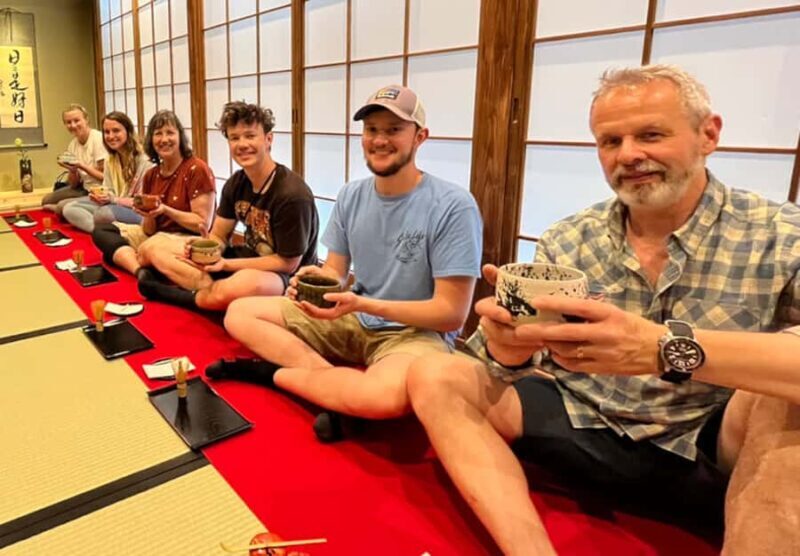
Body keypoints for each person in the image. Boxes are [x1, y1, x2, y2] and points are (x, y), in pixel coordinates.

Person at [405, 64, 800, 555]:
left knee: (788, 405)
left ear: (708, 134)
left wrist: (659, 347)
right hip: (584, 418)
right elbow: (492, 363)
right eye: (610, 142)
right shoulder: (568, 239)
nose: (629, 155)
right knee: (434, 375)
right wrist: (506, 345)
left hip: (708, 441)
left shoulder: (782, 235)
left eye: (651, 135)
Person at [219, 85, 483, 442]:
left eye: (393, 130)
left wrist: (361, 303)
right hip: (353, 319)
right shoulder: (351, 195)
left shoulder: (453, 206)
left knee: (384, 397)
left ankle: (274, 374)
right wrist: (316, 281)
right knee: (240, 313)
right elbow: (336, 273)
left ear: (420, 137)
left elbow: (451, 314)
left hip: (414, 334)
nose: (379, 140)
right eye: (372, 129)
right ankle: (336, 388)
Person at [137, 101, 318, 311]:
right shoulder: (236, 183)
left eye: (250, 136)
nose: (242, 144)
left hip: (284, 277)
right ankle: (214, 292)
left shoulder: (292, 194)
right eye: (234, 138)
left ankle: (185, 295)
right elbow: (219, 236)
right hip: (247, 257)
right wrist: (205, 249)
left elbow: (288, 264)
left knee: (247, 283)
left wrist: (226, 265)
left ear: (268, 139)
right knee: (153, 248)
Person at [92, 110, 215, 278]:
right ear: (151, 140)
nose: (164, 139)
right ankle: (140, 270)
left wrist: (166, 210)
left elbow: (202, 223)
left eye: (170, 133)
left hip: (187, 239)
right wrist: (148, 215)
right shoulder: (152, 174)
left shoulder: (196, 169)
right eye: (158, 134)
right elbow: (149, 231)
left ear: (180, 137)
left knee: (145, 249)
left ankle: (132, 260)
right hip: (157, 236)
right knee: (102, 231)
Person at [62, 111, 153, 232]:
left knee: (103, 214)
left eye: (116, 131)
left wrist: (112, 200)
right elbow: (107, 188)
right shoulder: (110, 160)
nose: (110, 136)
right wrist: (100, 195)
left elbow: (142, 202)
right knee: (68, 208)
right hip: (113, 204)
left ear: (128, 131)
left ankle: (111, 231)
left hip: (137, 211)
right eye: (107, 132)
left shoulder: (144, 160)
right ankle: (107, 231)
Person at [42, 104, 106, 214]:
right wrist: (72, 169)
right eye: (68, 122)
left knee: (62, 206)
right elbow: (73, 184)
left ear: (86, 120)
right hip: (83, 188)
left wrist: (81, 165)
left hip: (100, 191)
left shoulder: (98, 139)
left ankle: (62, 209)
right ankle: (64, 208)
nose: (73, 125)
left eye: (77, 121)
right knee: (46, 200)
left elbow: (104, 177)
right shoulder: (73, 144)